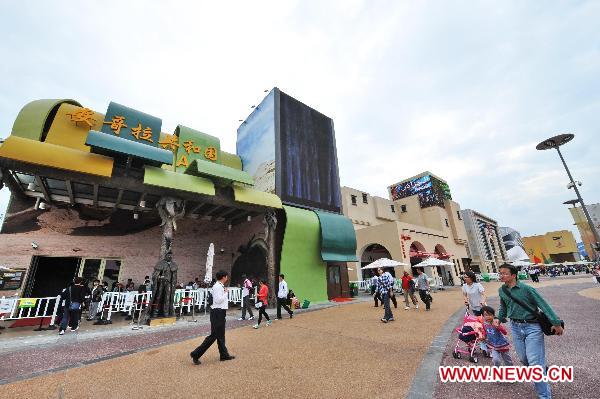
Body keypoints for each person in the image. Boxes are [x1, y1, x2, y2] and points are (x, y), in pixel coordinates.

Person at [493, 263, 563, 399]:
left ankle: (544, 396)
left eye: (504, 273)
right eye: (500, 273)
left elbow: (543, 304)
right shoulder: (502, 290)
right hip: (515, 327)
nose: (501, 275)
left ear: (513, 275)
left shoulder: (526, 289)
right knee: (524, 359)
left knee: (535, 365)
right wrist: (499, 318)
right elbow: (503, 306)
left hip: (532, 327)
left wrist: (556, 323)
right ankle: (544, 371)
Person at [190, 270, 235, 365]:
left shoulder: (218, 286)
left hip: (220, 312)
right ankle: (196, 354)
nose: (227, 278)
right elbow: (218, 300)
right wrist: (226, 292)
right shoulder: (218, 286)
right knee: (213, 336)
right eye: (226, 276)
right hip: (217, 312)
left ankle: (224, 355)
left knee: (221, 335)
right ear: (224, 277)